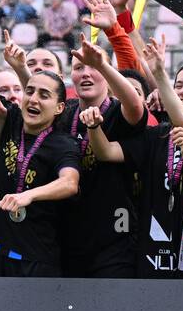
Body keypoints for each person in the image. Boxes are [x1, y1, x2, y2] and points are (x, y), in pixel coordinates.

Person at [88, 38, 183, 278]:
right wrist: (93, 127)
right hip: (154, 252)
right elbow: (106, 152)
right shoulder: (158, 135)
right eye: (179, 85)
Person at [53, 37, 146, 277]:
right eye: (78, 68)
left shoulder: (118, 111)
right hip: (67, 235)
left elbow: (135, 106)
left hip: (114, 241)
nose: (86, 74)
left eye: (93, 67)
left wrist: (103, 63)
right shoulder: (66, 113)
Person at [0, 63, 81, 276]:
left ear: (59, 107)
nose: (33, 99)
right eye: (30, 91)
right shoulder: (11, 118)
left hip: (33, 263)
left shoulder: (63, 144)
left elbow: (70, 183)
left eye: (44, 95)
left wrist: (28, 195)